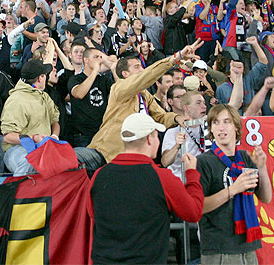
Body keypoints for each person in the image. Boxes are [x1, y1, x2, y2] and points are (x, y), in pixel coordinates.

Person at [87, 113, 204, 264]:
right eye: (156, 137)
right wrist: (192, 174)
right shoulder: (162, 178)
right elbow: (193, 212)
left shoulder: (99, 175)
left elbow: (92, 213)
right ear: (149, 139)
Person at [77, 42, 202, 171]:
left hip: (128, 161)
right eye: (137, 67)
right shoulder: (119, 88)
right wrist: (175, 58)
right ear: (125, 74)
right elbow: (145, 76)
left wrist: (176, 118)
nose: (142, 70)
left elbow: (161, 116)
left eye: (142, 66)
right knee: (73, 158)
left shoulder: (144, 94)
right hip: (103, 154)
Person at [196, 104, 272, 265]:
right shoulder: (203, 161)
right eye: (216, 122)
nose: (221, 127)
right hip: (219, 248)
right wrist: (233, 190)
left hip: (248, 246)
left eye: (226, 122)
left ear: (236, 127)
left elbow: (266, 198)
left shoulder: (245, 157)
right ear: (211, 129)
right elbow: (198, 207)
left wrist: (262, 168)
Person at [1, 59, 60, 176]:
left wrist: (54, 137)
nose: (46, 77)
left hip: (44, 148)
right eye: (44, 75)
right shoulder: (17, 100)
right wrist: (33, 138)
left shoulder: (44, 96)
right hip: (18, 149)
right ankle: (19, 187)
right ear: (40, 78)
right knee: (28, 162)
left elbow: (55, 121)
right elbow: (8, 137)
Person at [68, 47, 114, 147]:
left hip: (102, 132)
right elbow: (79, 94)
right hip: (82, 135)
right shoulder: (75, 79)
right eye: (96, 57)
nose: (99, 60)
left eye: (101, 57)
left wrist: (113, 68)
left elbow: (119, 92)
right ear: (86, 60)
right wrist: (94, 71)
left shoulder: (104, 80)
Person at [161, 90, 207, 180]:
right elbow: (165, 162)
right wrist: (177, 146)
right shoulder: (173, 132)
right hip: (180, 180)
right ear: (186, 108)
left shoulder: (209, 129)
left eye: (204, 103)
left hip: (203, 179)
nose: (204, 106)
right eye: (198, 103)